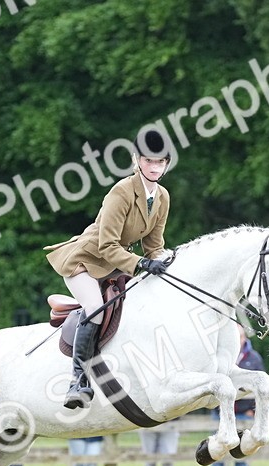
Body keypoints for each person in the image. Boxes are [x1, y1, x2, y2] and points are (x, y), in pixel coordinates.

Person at [44, 129, 174, 410]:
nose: (154, 167)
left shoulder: (162, 197)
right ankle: (77, 381)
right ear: (137, 160)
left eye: (160, 162)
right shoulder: (122, 191)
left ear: (166, 164)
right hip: (86, 260)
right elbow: (107, 245)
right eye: (149, 161)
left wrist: (165, 263)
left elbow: (153, 245)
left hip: (116, 264)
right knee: (95, 307)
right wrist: (140, 263)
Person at [210, 330, 266, 466]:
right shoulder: (221, 356)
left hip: (243, 413)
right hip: (222, 414)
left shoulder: (254, 358)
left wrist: (253, 410)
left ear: (245, 337)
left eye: (240, 336)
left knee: (241, 459)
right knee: (217, 456)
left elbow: (260, 387)